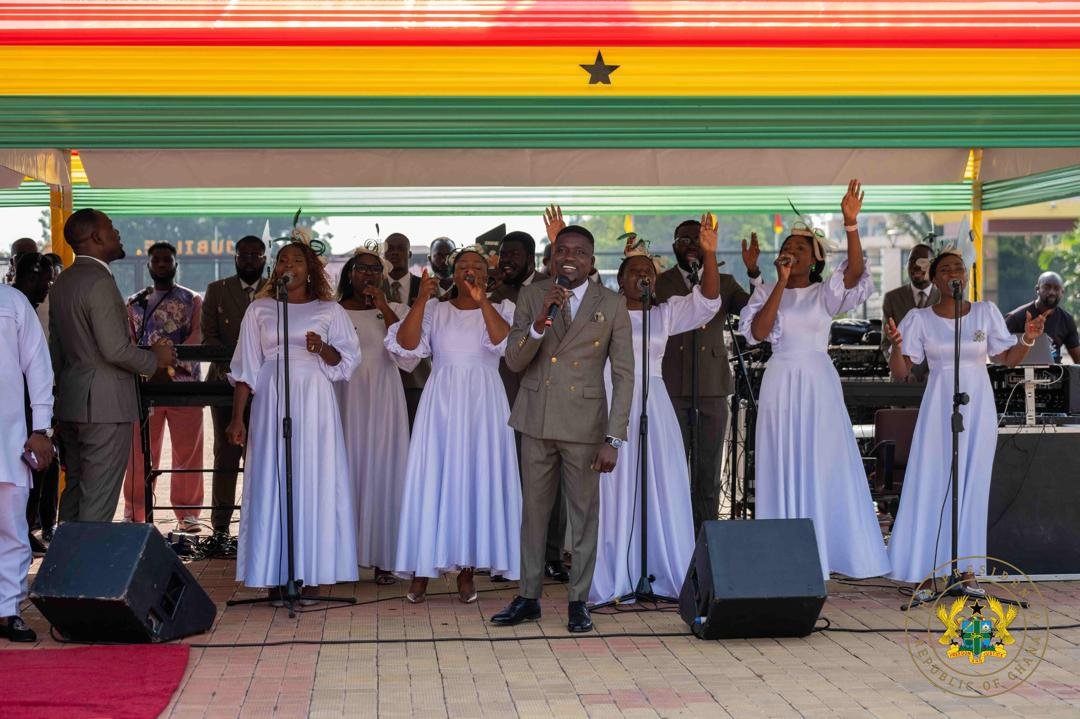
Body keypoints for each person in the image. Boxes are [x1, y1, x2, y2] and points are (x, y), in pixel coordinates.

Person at [739, 180, 890, 581]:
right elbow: (757, 332)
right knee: (781, 458)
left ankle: (827, 549)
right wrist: (780, 285)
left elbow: (856, 274)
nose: (792, 251)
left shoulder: (826, 293)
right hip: (781, 378)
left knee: (822, 461)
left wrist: (851, 224)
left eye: (802, 248)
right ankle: (784, 551)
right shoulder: (768, 290)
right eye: (788, 246)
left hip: (817, 381)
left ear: (816, 258)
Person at [491, 224, 634, 634]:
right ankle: (528, 597)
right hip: (536, 418)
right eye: (561, 250)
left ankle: (578, 601)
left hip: (585, 426)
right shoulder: (533, 295)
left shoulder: (612, 303)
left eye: (578, 251)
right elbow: (515, 361)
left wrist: (614, 438)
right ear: (551, 258)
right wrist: (538, 325)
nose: (568, 257)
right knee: (533, 514)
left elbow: (624, 376)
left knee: (584, 515)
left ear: (591, 261)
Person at [885, 252, 1050, 597]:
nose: (953, 272)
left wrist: (1029, 338)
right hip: (938, 407)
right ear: (934, 279)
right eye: (945, 269)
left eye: (958, 267)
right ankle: (927, 572)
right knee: (933, 482)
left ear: (967, 274)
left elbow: (1005, 358)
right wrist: (897, 348)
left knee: (972, 485)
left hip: (978, 407)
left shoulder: (985, 312)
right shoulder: (920, 318)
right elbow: (902, 372)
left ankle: (966, 571)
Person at [590, 215, 723, 606]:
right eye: (633, 271)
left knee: (660, 484)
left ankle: (659, 573)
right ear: (620, 278)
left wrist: (711, 255)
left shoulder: (665, 313)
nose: (641, 277)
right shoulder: (603, 311)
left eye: (647, 271)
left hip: (654, 403)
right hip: (613, 403)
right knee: (615, 489)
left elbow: (709, 302)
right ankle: (617, 573)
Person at [226, 239, 360, 602]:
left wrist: (323, 349)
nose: (289, 264)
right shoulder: (260, 309)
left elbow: (347, 362)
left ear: (310, 268)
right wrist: (238, 417)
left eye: (297, 259)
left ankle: (313, 573)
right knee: (272, 477)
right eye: (283, 259)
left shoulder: (329, 310)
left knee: (313, 478)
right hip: (271, 397)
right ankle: (273, 573)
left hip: (314, 400)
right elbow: (245, 368)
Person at [386, 247, 521, 603]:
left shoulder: (502, 308)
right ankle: (422, 570)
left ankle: (466, 570)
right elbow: (407, 346)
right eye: (463, 266)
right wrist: (420, 300)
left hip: (484, 402)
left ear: (487, 275)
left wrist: (483, 301)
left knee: (475, 479)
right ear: (452, 272)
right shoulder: (435, 310)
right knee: (435, 477)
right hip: (442, 399)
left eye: (477, 266)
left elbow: (504, 342)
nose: (470, 270)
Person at [49, 209, 176, 523]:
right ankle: (87, 571)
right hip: (105, 408)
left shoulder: (64, 280)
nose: (118, 233)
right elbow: (114, 349)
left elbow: (56, 349)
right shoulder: (100, 281)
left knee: (76, 492)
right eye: (111, 228)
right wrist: (155, 360)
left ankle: (66, 567)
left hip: (73, 401)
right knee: (99, 500)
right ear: (95, 237)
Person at [655, 218, 751, 530]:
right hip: (671, 384)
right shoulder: (659, 281)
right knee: (673, 468)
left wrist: (754, 274)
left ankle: (707, 537)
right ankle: (676, 537)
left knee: (708, 471)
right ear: (674, 246)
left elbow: (751, 313)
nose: (691, 244)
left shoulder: (723, 280)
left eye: (698, 238)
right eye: (684, 239)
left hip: (711, 385)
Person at [489, 230, 569, 582]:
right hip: (501, 396)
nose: (506, 260)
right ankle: (506, 555)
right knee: (509, 478)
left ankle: (552, 555)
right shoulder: (491, 293)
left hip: (546, 395)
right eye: (503, 255)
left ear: (531, 257)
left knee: (551, 482)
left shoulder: (549, 288)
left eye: (514, 255)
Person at [336, 247, 414, 585]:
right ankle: (343, 555)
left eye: (374, 269)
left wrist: (383, 306)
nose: (367, 274)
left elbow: (408, 351)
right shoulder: (333, 312)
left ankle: (385, 557)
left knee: (384, 470)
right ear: (349, 273)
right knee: (347, 467)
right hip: (346, 395)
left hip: (384, 395)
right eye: (361, 268)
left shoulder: (395, 309)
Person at [122, 242, 205, 529]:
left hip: (184, 387)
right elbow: (128, 344)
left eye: (166, 259)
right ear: (148, 265)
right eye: (155, 260)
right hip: (146, 389)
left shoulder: (193, 300)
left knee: (188, 453)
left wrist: (168, 367)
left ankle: (189, 514)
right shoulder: (134, 303)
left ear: (175, 263)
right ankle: (137, 512)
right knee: (141, 453)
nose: (161, 264)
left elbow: (198, 337)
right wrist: (150, 369)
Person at [201, 235, 267, 538]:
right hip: (225, 385)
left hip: (268, 385)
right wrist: (236, 372)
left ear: (265, 258)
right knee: (226, 453)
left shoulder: (277, 291)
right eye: (245, 254)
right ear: (235, 257)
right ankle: (220, 528)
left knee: (263, 454)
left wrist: (259, 373)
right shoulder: (217, 290)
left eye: (257, 254)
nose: (250, 259)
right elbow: (209, 338)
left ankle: (260, 524)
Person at [0, 283, 54, 641]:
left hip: (8, 438)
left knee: (13, 531)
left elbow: (38, 365)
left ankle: (7, 611)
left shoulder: (12, 301)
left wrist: (41, 428)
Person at [13, 253, 58, 552]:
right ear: (31, 277)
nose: (48, 287)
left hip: (36, 411)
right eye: (45, 280)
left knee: (43, 472)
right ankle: (24, 530)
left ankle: (36, 526)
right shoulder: (16, 307)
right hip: (22, 412)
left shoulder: (27, 306)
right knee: (26, 476)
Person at [383, 232, 428, 427]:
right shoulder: (372, 287)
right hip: (382, 378)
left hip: (418, 379)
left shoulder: (425, 288)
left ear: (409, 254)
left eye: (400, 248)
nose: (394, 253)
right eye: (389, 249)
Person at [880, 243, 940, 380]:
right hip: (902, 382)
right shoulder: (892, 298)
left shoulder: (945, 298)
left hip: (936, 379)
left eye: (922, 261)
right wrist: (903, 370)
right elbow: (886, 343)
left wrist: (933, 372)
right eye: (912, 260)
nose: (916, 265)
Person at [1004, 271, 1080, 363]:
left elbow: (1078, 359)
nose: (1052, 292)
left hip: (1055, 375)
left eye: (1056, 289)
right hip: (1019, 374)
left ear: (1062, 292)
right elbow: (1001, 358)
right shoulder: (1015, 318)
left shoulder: (1067, 320)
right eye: (1046, 287)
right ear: (1037, 289)